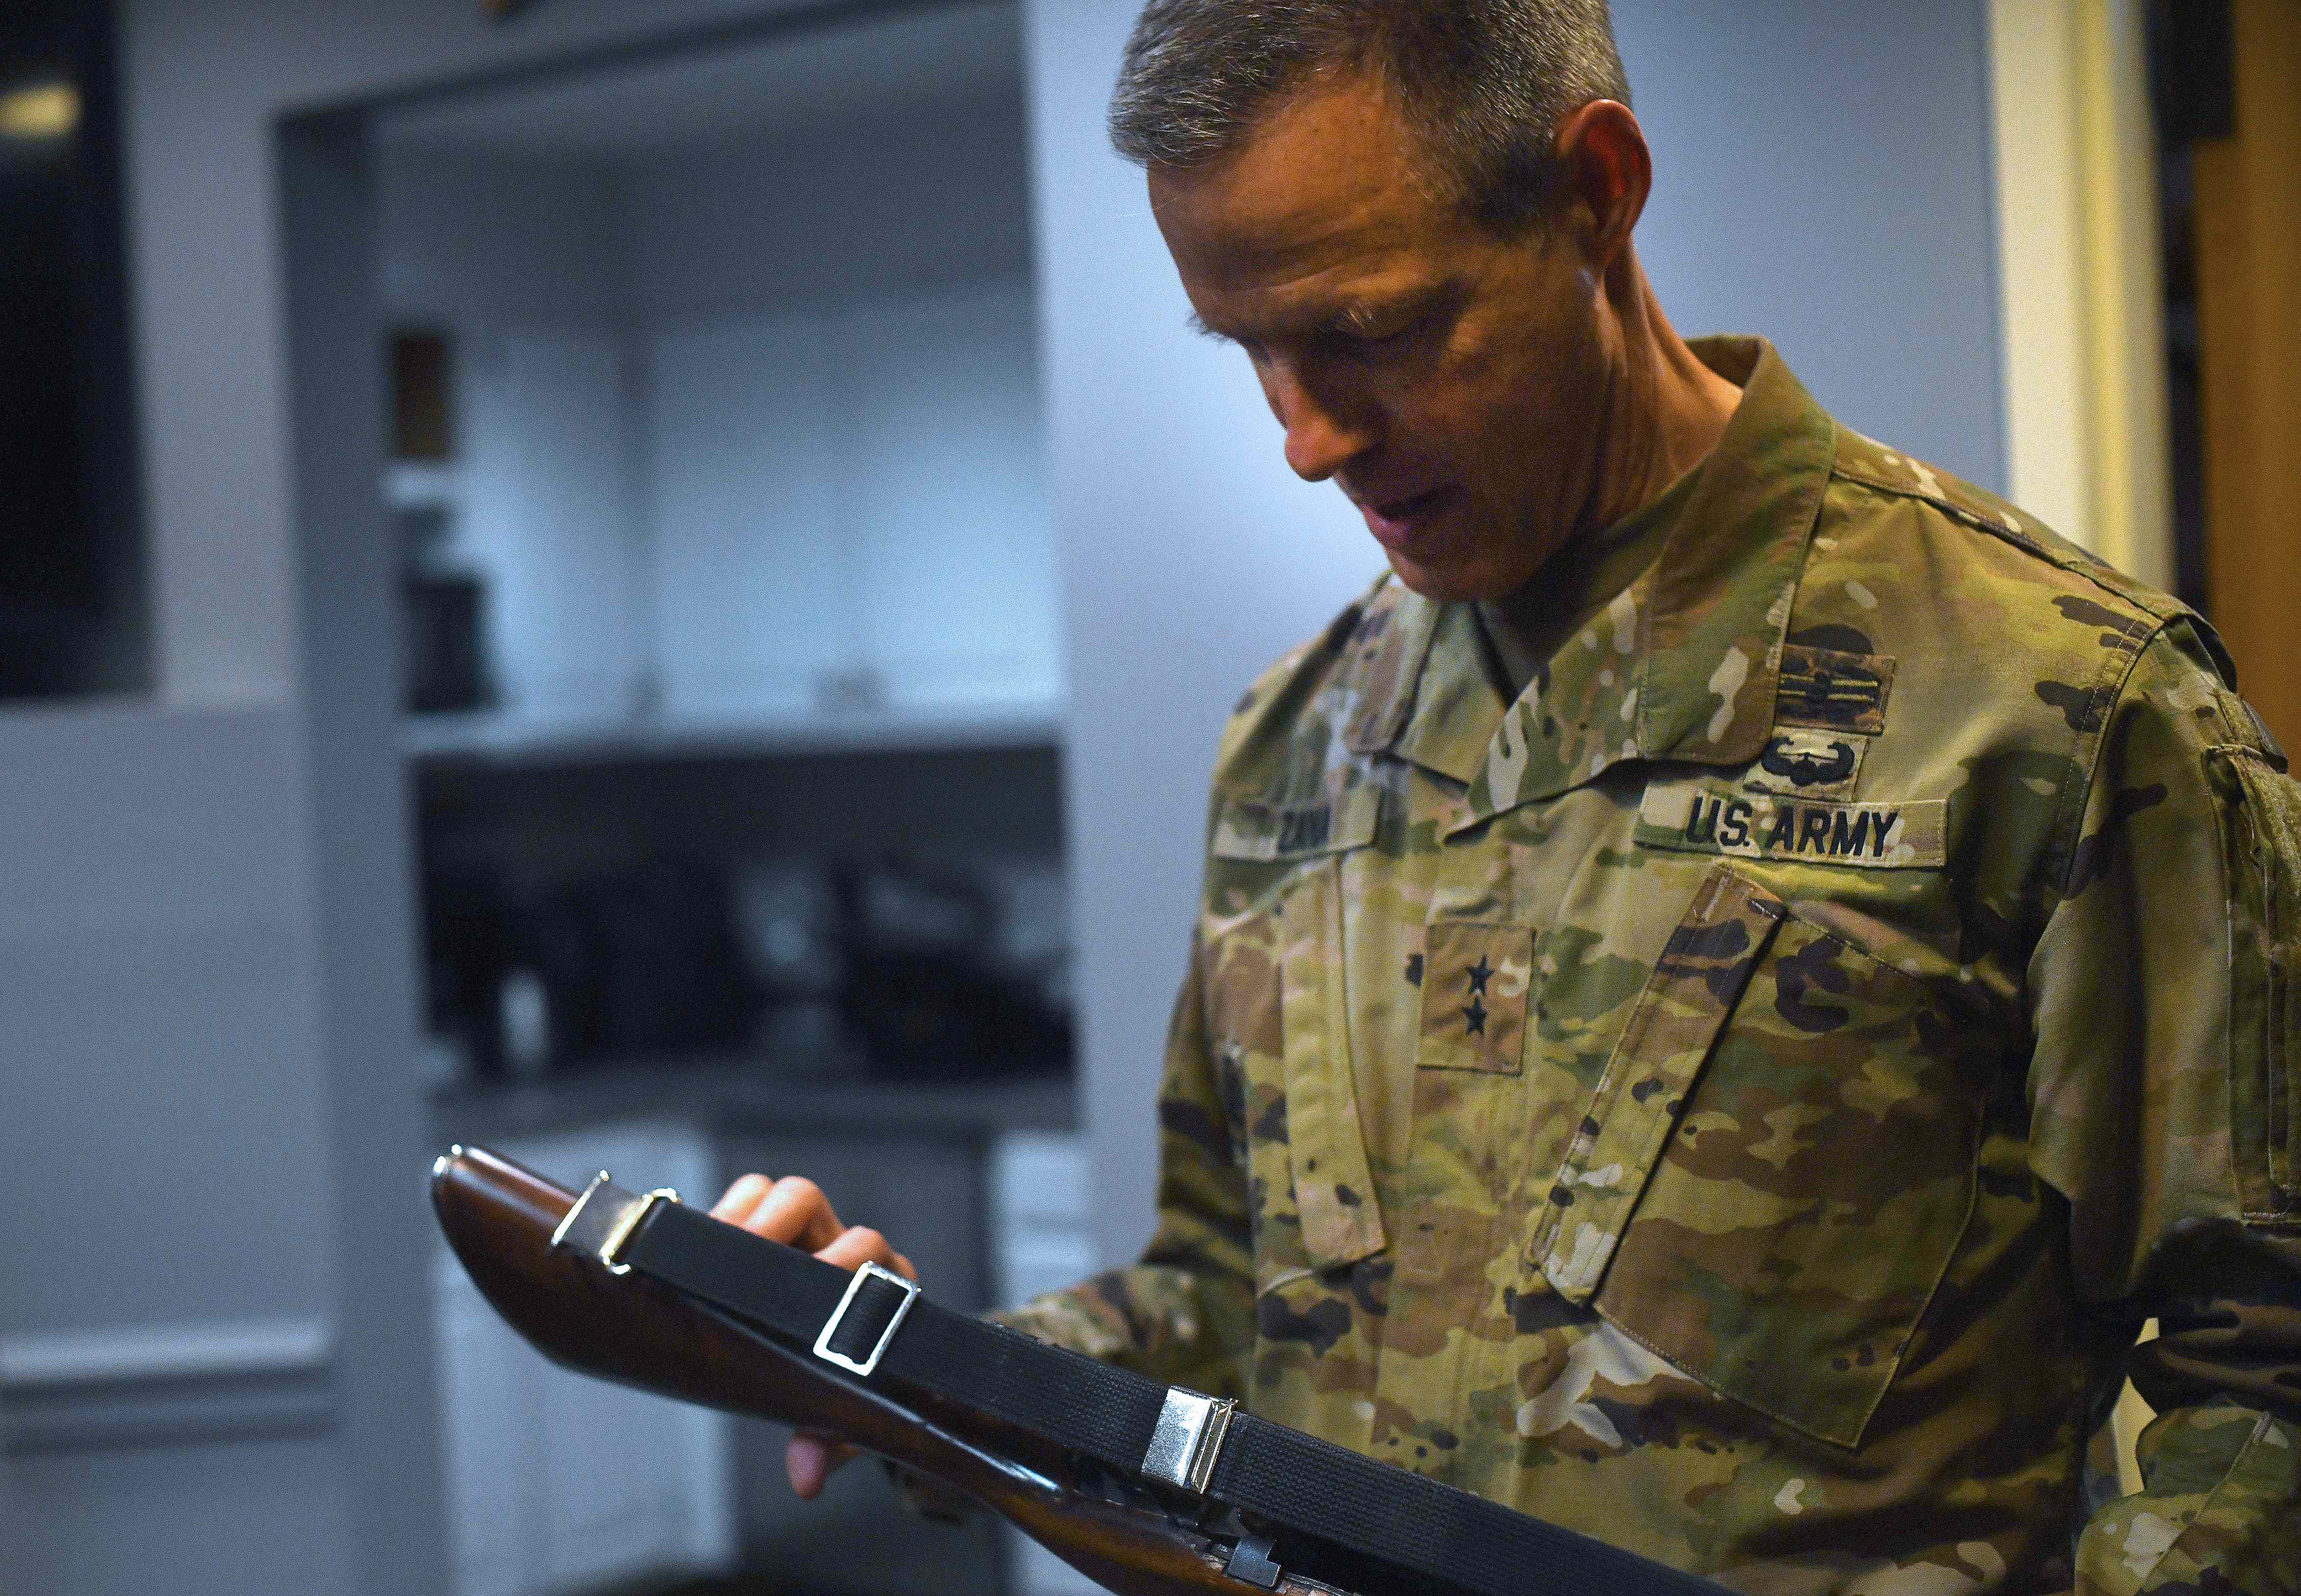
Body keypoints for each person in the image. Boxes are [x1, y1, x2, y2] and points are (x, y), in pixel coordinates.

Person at [712, 3, 2301, 1588]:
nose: (1306, 437)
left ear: (1594, 193)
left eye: (1372, 328)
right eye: (1249, 349)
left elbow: (2263, 1366)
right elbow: (1222, 1299)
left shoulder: (2051, 708)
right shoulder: (1297, 743)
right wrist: (897, 1359)